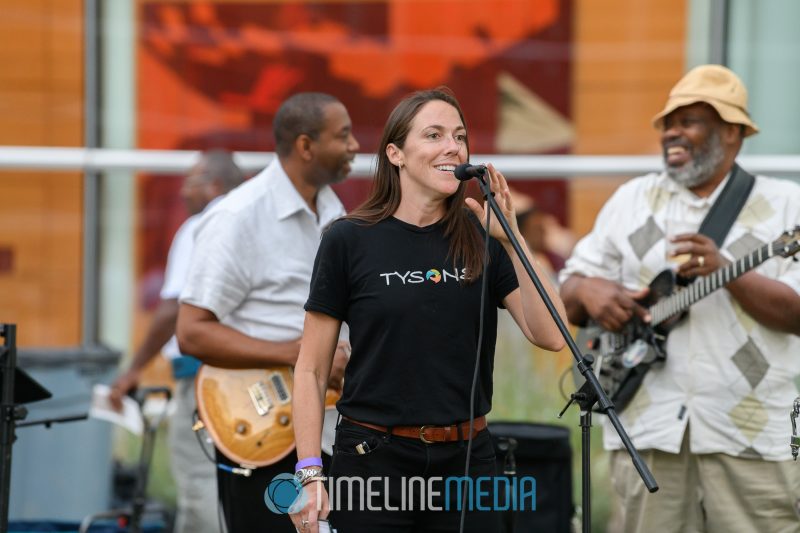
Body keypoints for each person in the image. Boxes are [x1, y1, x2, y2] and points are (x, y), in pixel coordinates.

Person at [289, 87, 567, 533]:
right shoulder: (348, 240)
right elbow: (311, 370)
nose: (452, 147)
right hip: (372, 461)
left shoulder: (483, 237)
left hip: (467, 461)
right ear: (396, 153)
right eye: (434, 135)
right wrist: (309, 473)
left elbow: (551, 335)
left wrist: (512, 239)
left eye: (459, 136)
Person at [559, 64, 800, 533]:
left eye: (689, 121)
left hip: (750, 434)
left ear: (732, 132)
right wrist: (589, 290)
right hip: (648, 430)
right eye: (668, 122)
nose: (672, 131)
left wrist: (728, 273)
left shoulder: (786, 206)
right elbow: (568, 293)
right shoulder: (632, 200)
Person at [176, 93, 359, 533]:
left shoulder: (338, 214)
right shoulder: (237, 218)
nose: (354, 146)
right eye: (343, 135)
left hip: (330, 429)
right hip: (260, 430)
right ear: (305, 146)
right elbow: (192, 333)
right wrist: (298, 354)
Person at [109, 150, 245, 533]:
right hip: (251, 380)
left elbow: (173, 310)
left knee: (199, 480)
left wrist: (134, 368)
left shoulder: (204, 224)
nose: (183, 192)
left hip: (203, 380)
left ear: (213, 187)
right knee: (240, 483)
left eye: (191, 183)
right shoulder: (254, 222)